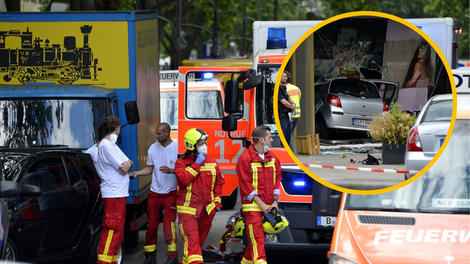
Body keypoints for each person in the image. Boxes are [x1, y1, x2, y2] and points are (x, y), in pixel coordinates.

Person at [129, 123, 179, 264]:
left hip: (170, 193)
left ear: (167, 133)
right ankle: (150, 256)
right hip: (154, 193)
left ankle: (172, 257)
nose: (156, 136)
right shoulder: (153, 148)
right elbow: (150, 168)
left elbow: (183, 170)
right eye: (156, 133)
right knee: (152, 225)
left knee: (169, 226)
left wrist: (171, 171)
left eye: (159, 133)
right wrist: (138, 173)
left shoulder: (177, 149)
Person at [174, 128, 225, 264]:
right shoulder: (181, 163)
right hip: (188, 211)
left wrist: (217, 204)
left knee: (194, 247)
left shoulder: (212, 162)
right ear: (191, 146)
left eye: (205, 143)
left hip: (207, 212)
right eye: (201, 143)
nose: (204, 146)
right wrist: (197, 164)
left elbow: (218, 184)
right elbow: (184, 180)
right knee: (193, 247)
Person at [236, 125, 282, 264]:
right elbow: (246, 186)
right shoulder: (244, 159)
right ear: (261, 140)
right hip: (253, 207)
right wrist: (262, 205)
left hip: (268, 206)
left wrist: (275, 202)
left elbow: (277, 181)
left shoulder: (273, 158)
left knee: (255, 242)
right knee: (258, 241)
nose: (272, 140)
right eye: (269, 137)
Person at [96, 116, 134, 264]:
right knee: (112, 229)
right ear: (117, 128)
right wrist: (127, 165)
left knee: (117, 230)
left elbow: (129, 163)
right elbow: (124, 168)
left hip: (118, 193)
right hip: (113, 194)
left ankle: (110, 261)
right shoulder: (106, 146)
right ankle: (104, 262)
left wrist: (128, 164)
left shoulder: (112, 146)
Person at [284, 70, 301, 151]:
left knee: (288, 136)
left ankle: (291, 154)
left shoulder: (284, 89)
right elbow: (299, 98)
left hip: (289, 115)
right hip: (297, 115)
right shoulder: (296, 88)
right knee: (289, 135)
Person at [278, 71, 296, 148]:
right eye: (284, 76)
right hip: (281, 114)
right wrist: (292, 107)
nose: (286, 78)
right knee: (284, 131)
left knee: (288, 131)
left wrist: (293, 104)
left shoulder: (283, 88)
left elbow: (288, 98)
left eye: (286, 76)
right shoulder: (277, 89)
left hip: (285, 114)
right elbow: (284, 102)